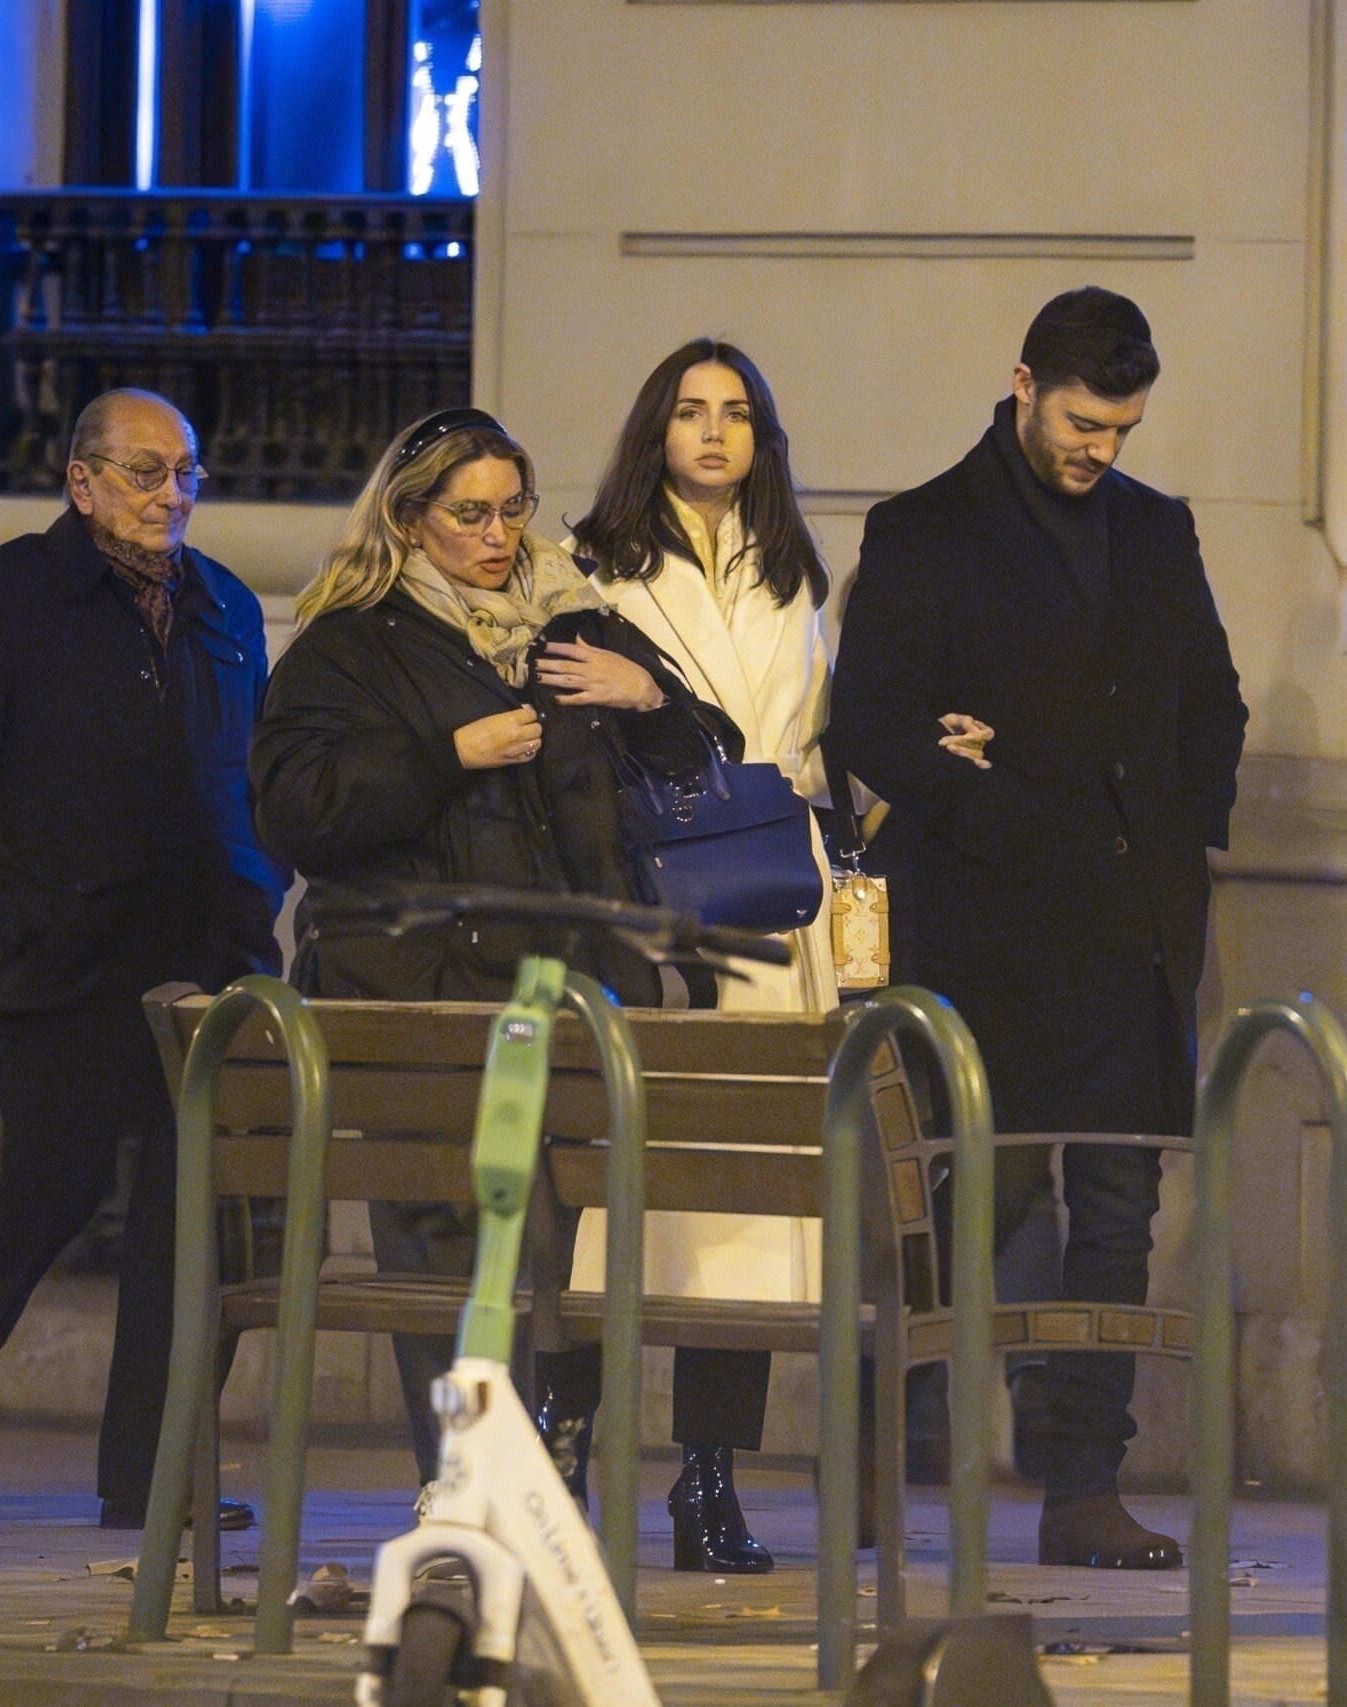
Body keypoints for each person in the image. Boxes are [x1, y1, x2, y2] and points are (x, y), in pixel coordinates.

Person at [250, 406, 755, 1552]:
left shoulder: (574, 624)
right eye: (467, 513)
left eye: (511, 508)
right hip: (416, 1001)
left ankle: (529, 1490)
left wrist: (649, 698)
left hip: (564, 992)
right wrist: (446, 755)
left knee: (548, 1258)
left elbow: (713, 769)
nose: (495, 535)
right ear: (410, 518)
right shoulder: (350, 643)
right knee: (440, 1256)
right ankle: (466, 1487)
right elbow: (293, 813)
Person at [826, 288, 1247, 1569]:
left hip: (1131, 937)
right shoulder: (923, 529)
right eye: (1079, 422)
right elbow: (871, 724)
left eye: (1119, 429)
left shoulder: (1153, 528)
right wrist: (994, 804)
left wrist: (1182, 833)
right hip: (988, 930)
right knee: (970, 1206)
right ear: (1022, 385)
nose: (1098, 449)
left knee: (1118, 1214)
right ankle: (882, 1446)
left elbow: (1210, 703)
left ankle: (1081, 1487)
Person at [0, 388, 287, 1530]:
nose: (174, 495)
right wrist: (19, 905)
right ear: (82, 480)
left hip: (203, 953)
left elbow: (247, 769)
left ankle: (149, 1479)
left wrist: (258, 887)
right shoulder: (9, 596)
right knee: (46, 1190)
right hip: (70, 953)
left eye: (188, 474)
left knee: (184, 1222)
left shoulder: (222, 605)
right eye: (148, 473)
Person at [566, 339, 835, 1573]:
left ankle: (708, 1481)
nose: (714, 432)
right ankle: (567, 1452)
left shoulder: (793, 572)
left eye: (736, 412)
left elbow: (812, 741)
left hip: (782, 907)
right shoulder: (595, 565)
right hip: (656, 907)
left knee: (745, 1214)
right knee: (627, 1203)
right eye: (689, 410)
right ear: (655, 430)